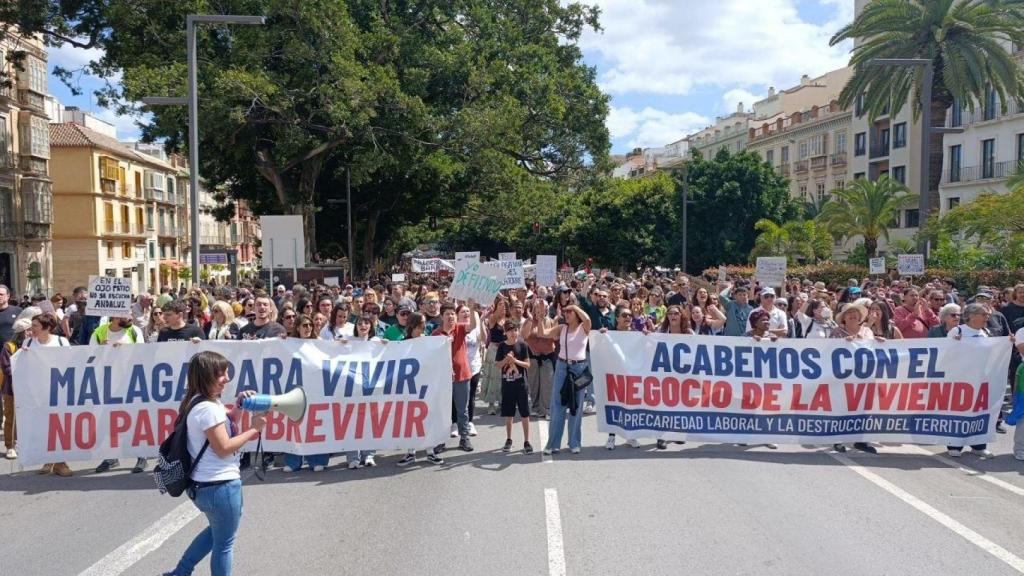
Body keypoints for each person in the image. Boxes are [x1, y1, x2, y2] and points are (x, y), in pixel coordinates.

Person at [162, 351, 266, 576]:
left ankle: (181, 571)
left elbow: (226, 422)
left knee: (216, 533)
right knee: (224, 543)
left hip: (205, 487)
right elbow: (223, 448)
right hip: (220, 487)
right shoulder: (208, 409)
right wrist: (254, 430)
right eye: (221, 374)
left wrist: (238, 406)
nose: (227, 378)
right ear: (206, 375)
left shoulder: (200, 401)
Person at [92, 316, 148, 473]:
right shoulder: (99, 332)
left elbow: (143, 354)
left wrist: (125, 349)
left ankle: (141, 456)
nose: (129, 316)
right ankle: (111, 457)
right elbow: (88, 357)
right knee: (110, 421)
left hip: (132, 383)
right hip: (108, 383)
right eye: (124, 313)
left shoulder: (134, 331)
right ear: (114, 315)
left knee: (136, 419)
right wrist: (100, 349)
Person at [537, 301, 592, 455]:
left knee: (576, 406)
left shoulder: (583, 328)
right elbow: (543, 333)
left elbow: (588, 320)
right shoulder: (562, 328)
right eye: (565, 312)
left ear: (576, 313)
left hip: (579, 368)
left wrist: (574, 306)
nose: (567, 314)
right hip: (562, 367)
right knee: (558, 405)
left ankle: (574, 442)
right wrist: (540, 317)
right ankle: (553, 444)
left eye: (570, 312)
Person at [945, 303, 998, 459]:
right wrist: (954, 343)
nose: (986, 318)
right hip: (960, 380)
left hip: (981, 380)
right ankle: (955, 445)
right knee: (959, 412)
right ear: (972, 316)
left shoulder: (986, 332)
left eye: (987, 315)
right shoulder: (958, 330)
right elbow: (946, 353)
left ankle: (979, 445)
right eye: (983, 314)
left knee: (980, 412)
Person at [24, 313, 72, 476]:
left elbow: (71, 363)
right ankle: (48, 460)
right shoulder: (28, 342)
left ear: (47, 327)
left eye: (35, 326)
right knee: (43, 427)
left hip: (59, 392)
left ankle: (61, 462)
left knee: (58, 427)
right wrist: (22, 355)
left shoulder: (61, 342)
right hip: (37, 393)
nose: (32, 329)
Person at [829, 301, 880, 454]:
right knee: (842, 407)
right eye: (849, 314)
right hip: (844, 377)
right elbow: (828, 352)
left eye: (855, 314)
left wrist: (880, 342)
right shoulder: (836, 333)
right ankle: (837, 439)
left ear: (860, 317)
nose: (852, 316)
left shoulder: (867, 332)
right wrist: (842, 344)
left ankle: (861, 440)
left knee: (864, 407)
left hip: (865, 376)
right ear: (843, 318)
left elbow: (872, 348)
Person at [397, 312, 444, 466]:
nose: (425, 325)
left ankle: (430, 451)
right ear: (415, 324)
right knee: (411, 420)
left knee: (427, 417)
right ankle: (410, 452)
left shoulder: (427, 341)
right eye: (422, 323)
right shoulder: (403, 343)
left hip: (426, 385)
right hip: (409, 387)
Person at [432, 301, 478, 452]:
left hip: (462, 376)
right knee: (443, 410)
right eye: (447, 314)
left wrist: (471, 308)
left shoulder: (459, 329)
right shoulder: (436, 334)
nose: (451, 316)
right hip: (443, 379)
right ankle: (440, 440)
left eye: (453, 313)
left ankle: (464, 438)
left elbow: (472, 326)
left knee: (462, 409)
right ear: (441, 317)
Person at [0, 307, 38, 460]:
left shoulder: (35, 345)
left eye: (31, 330)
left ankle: (28, 444)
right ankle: (10, 445)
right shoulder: (9, 347)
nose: (30, 333)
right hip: (12, 390)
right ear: (21, 332)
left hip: (31, 390)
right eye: (28, 330)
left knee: (29, 416)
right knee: (11, 417)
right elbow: (7, 368)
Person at [496, 320, 532, 453]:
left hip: (521, 384)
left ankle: (527, 441)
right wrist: (507, 359)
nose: (513, 333)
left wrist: (515, 361)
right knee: (509, 414)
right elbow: (498, 365)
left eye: (515, 330)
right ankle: (509, 439)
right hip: (507, 385)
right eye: (510, 330)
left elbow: (528, 365)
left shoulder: (522, 345)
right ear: (505, 332)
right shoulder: (501, 346)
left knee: (524, 413)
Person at [523, 298, 556, 420]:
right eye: (538, 307)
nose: (541, 310)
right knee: (534, 384)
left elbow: (553, 336)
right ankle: (536, 407)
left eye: (544, 307)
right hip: (533, 357)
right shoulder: (529, 321)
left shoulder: (551, 321)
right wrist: (531, 320)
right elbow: (525, 336)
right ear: (534, 309)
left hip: (547, 357)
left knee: (547, 383)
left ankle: (547, 409)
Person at [480, 296, 508, 415]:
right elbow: (494, 316)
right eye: (500, 305)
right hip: (493, 349)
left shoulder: (507, 320)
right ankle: (491, 404)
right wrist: (496, 304)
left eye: (504, 305)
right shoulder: (493, 318)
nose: (503, 307)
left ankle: (502, 401)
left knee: (503, 377)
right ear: (496, 307)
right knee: (492, 376)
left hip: (504, 350)